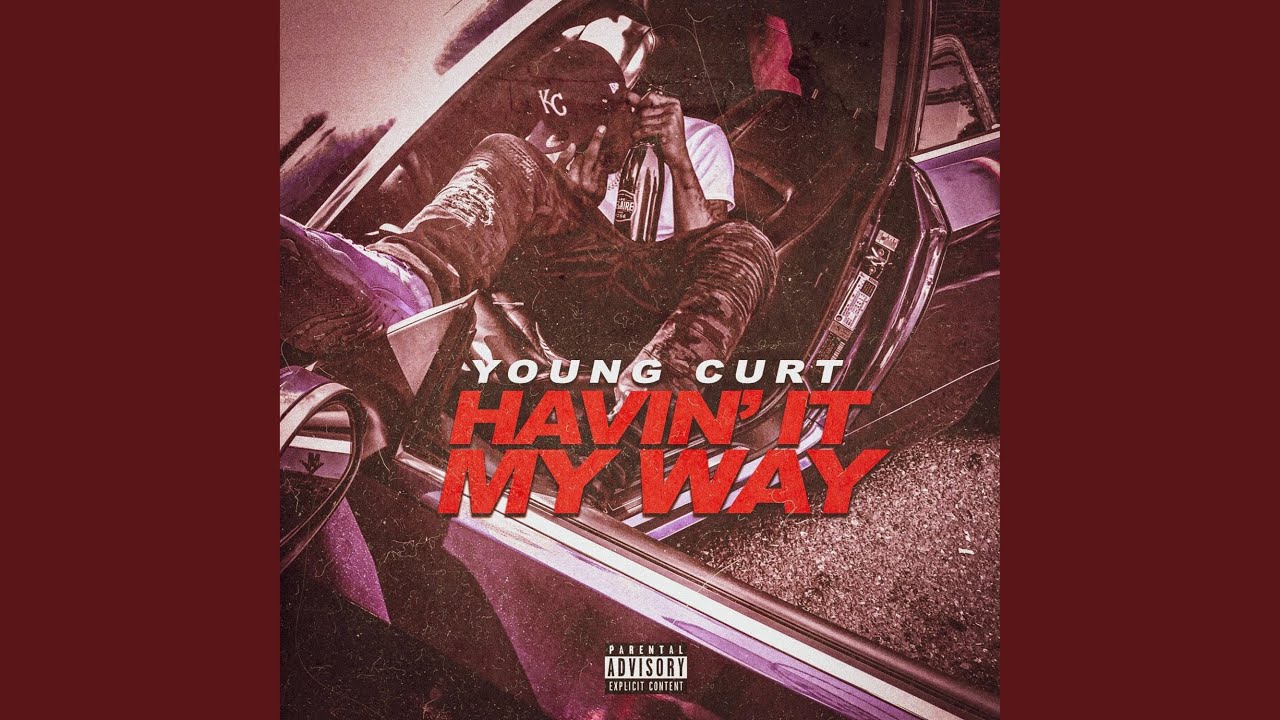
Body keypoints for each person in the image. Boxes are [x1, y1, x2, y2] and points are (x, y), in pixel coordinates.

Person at [280, 40, 777, 398]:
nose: (577, 144)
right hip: (578, 298)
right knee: (506, 151)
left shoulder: (697, 140)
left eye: (595, 131)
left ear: (626, 108)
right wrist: (574, 201)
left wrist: (677, 158)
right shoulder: (557, 143)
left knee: (745, 244)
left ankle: (640, 414)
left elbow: (705, 251)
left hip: (655, 289)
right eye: (564, 131)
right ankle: (402, 284)